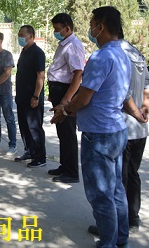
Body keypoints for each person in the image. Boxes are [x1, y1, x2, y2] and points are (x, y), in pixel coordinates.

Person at [51, 6, 143, 248]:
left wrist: (65, 111)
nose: (90, 29)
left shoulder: (101, 57)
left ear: (101, 27)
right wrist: (137, 114)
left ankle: (108, 242)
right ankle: (119, 237)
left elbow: (83, 98)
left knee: (101, 195)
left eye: (92, 25)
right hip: (117, 131)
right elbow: (125, 95)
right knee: (116, 190)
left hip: (99, 134)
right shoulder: (122, 54)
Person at [87, 35, 149, 237]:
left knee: (116, 182)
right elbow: (147, 83)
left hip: (121, 125)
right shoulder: (136, 53)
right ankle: (131, 218)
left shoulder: (115, 55)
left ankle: (112, 227)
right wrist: (145, 106)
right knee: (131, 174)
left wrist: (136, 113)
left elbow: (123, 93)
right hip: (139, 128)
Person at [47, 13, 84, 183]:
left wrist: (66, 99)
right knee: (62, 131)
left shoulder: (73, 46)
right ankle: (64, 165)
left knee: (68, 132)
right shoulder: (64, 44)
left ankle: (71, 172)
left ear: (67, 28)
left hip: (66, 92)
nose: (55, 32)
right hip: (59, 90)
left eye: (57, 29)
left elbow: (78, 74)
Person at [14, 25, 46, 167]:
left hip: (32, 97)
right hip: (22, 96)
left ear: (31, 36)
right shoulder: (24, 51)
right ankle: (30, 151)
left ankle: (40, 157)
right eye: (19, 35)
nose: (20, 37)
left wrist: (36, 96)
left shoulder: (37, 53)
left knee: (34, 127)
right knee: (24, 126)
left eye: (22, 35)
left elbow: (40, 76)